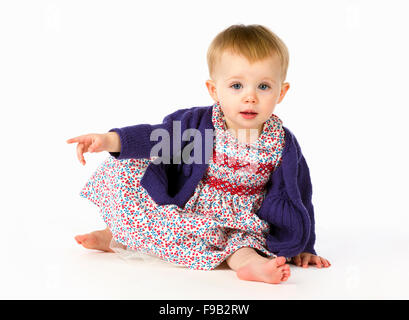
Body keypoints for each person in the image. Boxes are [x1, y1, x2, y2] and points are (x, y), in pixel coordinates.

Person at [66, 24, 330, 285]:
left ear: (281, 92)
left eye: (263, 87)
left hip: (240, 219)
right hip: (191, 206)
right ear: (214, 90)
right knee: (138, 186)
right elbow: (157, 138)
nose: (250, 97)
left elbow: (299, 194)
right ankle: (114, 236)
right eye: (237, 85)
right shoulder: (201, 126)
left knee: (241, 243)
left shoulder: (280, 142)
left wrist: (306, 245)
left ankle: (252, 265)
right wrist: (109, 140)